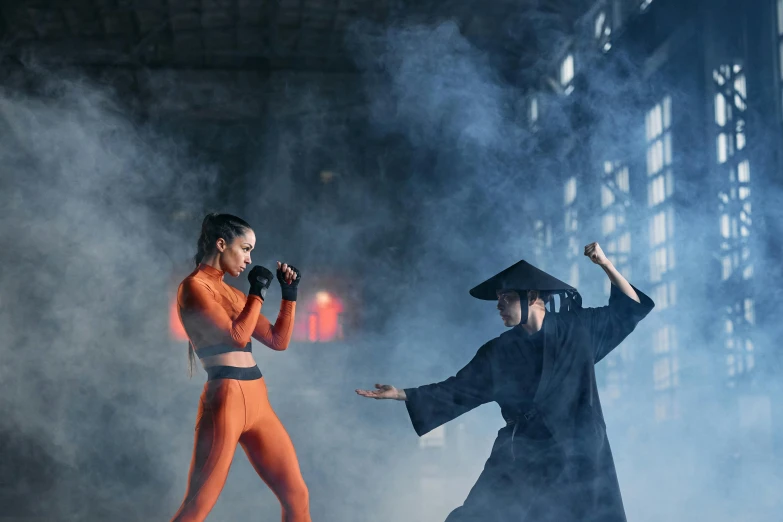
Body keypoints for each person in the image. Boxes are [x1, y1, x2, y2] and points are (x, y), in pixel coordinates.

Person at [356, 242, 655, 522]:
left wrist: (604, 264)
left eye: (507, 298)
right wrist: (403, 394)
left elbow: (628, 309)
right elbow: (458, 389)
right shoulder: (498, 351)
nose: (499, 306)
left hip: (576, 457)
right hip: (520, 456)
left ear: (534, 297)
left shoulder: (578, 330)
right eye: (498, 299)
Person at [170, 213, 311, 522]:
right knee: (196, 508)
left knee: (297, 496)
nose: (249, 259)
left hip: (257, 400)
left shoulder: (232, 293)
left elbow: (278, 340)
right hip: (226, 400)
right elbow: (237, 337)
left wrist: (290, 294)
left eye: (251, 252)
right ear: (222, 244)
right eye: (245, 249)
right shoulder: (194, 288)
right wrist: (257, 292)